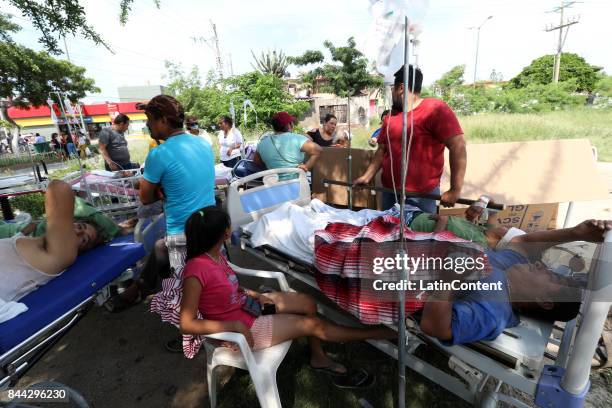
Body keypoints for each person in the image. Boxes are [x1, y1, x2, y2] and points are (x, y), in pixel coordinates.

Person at [180, 206, 395, 376]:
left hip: (247, 307)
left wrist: (254, 294)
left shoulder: (215, 255)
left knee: (308, 303)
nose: (230, 230)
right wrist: (235, 325)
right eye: (228, 227)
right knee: (313, 324)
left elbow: (221, 287)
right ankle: (374, 334)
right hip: (242, 328)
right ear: (223, 234)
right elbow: (186, 324)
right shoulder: (196, 270)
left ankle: (317, 357)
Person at [419, 219, 612, 345]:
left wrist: (449, 279)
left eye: (551, 276)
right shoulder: (514, 265)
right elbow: (522, 242)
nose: (539, 265)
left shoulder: (494, 312)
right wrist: (576, 233)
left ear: (544, 300)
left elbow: (434, 326)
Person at [137, 95, 216, 352]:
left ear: (162, 120)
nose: (149, 126)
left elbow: (145, 197)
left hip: (183, 232)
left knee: (185, 288)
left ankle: (192, 338)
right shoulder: (203, 144)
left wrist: (159, 189)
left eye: (150, 121)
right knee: (208, 279)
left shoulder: (159, 154)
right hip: (210, 225)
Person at [354, 65, 467, 213]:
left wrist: (455, 189)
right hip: (390, 193)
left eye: (392, 89)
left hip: (422, 196)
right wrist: (367, 176)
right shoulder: (390, 118)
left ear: (401, 88)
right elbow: (382, 151)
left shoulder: (435, 109)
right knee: (389, 234)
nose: (392, 93)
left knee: (420, 235)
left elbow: (458, 146)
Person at [0, 180, 104, 303]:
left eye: (84, 239)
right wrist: (23, 232)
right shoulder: (29, 240)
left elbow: (59, 188)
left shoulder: (61, 257)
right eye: (80, 227)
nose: (78, 233)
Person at [253, 112, 322, 177]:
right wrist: (306, 166)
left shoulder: (262, 142)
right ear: (290, 125)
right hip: (296, 184)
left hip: (272, 185)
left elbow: (256, 162)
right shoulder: (297, 139)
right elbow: (318, 150)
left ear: (273, 127)